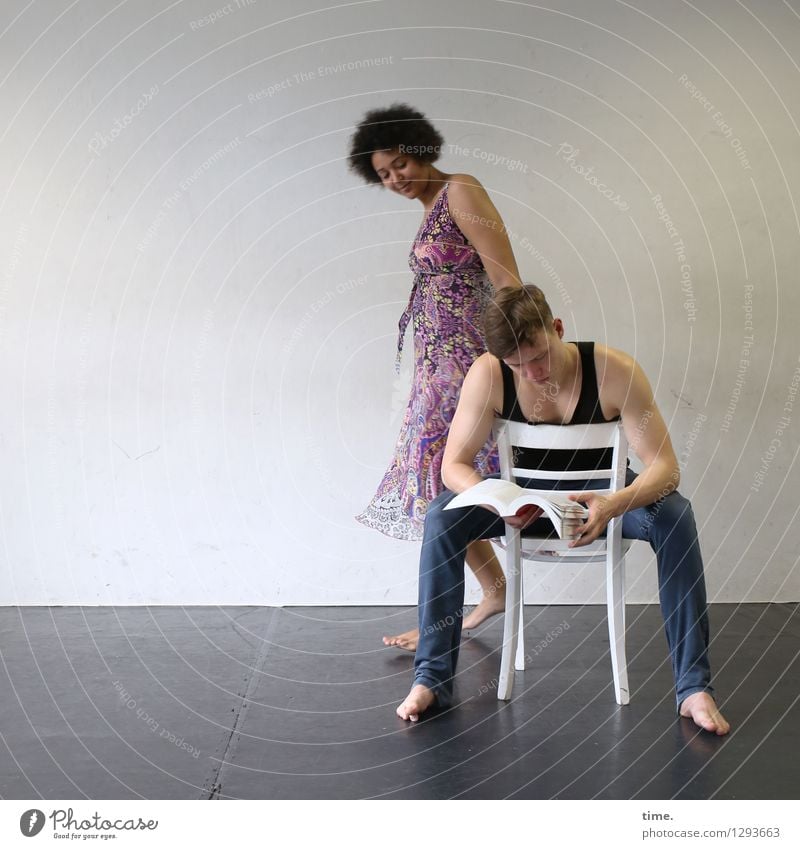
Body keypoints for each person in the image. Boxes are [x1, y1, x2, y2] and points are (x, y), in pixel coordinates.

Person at [395, 284, 730, 736]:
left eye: (539, 357)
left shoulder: (615, 371)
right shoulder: (489, 374)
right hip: (523, 505)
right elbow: (453, 464)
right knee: (441, 516)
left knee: (677, 517)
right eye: (517, 365)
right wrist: (497, 499)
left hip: (602, 499)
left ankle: (693, 688)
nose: (532, 374)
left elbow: (666, 468)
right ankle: (430, 678)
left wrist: (615, 503)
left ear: (557, 329)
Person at [348, 104, 523, 650]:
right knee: (438, 480)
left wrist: (517, 360)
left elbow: (506, 280)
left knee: (449, 474)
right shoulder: (428, 210)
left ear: (421, 150)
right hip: (434, 371)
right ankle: (491, 591)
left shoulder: (461, 191)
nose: (395, 178)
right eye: (383, 174)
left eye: (400, 163)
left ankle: (449, 621)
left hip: (469, 364)